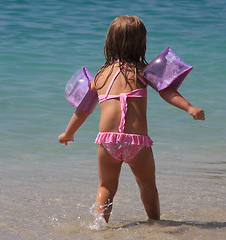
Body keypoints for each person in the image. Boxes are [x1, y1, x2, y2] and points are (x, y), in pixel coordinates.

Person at [58, 15, 205, 225]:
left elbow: (83, 110)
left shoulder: (99, 77)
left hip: (107, 141)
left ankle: (99, 226)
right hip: (136, 141)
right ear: (141, 44)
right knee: (147, 186)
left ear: (109, 42)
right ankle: (155, 224)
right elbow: (166, 92)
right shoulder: (142, 73)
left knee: (106, 187)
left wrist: (68, 133)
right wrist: (190, 108)